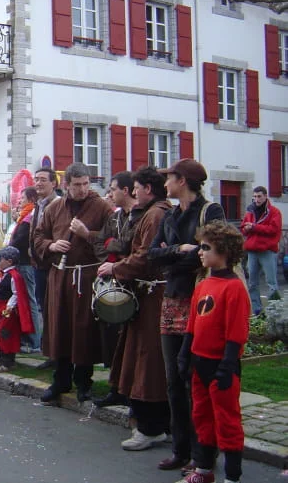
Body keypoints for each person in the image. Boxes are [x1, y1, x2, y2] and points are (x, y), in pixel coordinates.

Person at [148, 158, 225, 474]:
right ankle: (180, 449)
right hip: (172, 301)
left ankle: (203, 453)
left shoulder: (211, 212)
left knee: (197, 378)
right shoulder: (171, 214)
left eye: (169, 178)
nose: (165, 182)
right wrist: (179, 251)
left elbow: (209, 256)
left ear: (183, 181)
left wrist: (179, 254)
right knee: (174, 380)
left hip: (200, 300)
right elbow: (154, 256)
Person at [96, 167, 172, 450]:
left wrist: (115, 266)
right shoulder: (154, 212)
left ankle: (151, 427)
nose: (133, 192)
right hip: (147, 292)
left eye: (137, 187)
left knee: (147, 362)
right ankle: (156, 424)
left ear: (148, 189)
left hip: (153, 296)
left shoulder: (155, 214)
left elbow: (145, 258)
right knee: (143, 359)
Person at [177, 221, 250, 483]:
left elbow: (236, 332)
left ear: (224, 251)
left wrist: (228, 365)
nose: (200, 251)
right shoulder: (203, 285)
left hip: (222, 365)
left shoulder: (234, 288)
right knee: (202, 417)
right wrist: (185, 355)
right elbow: (193, 324)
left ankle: (232, 476)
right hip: (200, 363)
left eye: (206, 247)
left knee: (227, 421)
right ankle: (204, 471)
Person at [33, 162, 112, 403]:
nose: (82, 189)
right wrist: (51, 245)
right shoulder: (55, 208)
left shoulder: (102, 207)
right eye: (77, 185)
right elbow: (38, 236)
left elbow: (113, 239)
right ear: (66, 185)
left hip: (86, 277)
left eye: (86, 184)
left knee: (84, 330)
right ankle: (61, 380)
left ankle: (83, 383)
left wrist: (87, 233)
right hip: (60, 276)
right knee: (60, 329)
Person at [92, 171, 137, 407]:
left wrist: (117, 251)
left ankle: (132, 391)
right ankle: (115, 388)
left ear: (126, 191)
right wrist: (114, 251)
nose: (109, 193)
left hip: (135, 284)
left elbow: (132, 246)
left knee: (131, 342)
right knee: (112, 335)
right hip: (114, 283)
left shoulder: (139, 216)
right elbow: (100, 243)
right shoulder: (115, 218)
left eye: (113, 189)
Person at [30, 167, 60, 370]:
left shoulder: (57, 204)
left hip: (51, 263)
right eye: (36, 179)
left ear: (54, 183)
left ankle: (56, 353)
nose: (38, 183)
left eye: (43, 180)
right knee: (43, 306)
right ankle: (50, 351)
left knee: (53, 308)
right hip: (38, 263)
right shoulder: (38, 205)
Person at [8, 186, 42, 352]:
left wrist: (8, 250)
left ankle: (35, 341)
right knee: (23, 301)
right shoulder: (24, 217)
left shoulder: (30, 217)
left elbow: (21, 240)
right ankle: (26, 337)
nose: (19, 201)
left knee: (30, 300)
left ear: (31, 199)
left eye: (22, 198)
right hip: (20, 262)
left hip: (25, 263)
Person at [240, 185, 283, 314]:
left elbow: (274, 230)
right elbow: (243, 227)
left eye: (259, 196)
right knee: (252, 283)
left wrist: (254, 227)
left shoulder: (274, 212)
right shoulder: (250, 211)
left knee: (271, 283)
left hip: (267, 251)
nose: (256, 199)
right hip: (252, 251)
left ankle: (274, 312)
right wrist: (246, 228)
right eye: (254, 197)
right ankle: (257, 311)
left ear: (265, 197)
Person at [0, 246, 34, 371]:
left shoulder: (14, 276)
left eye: (1, 259)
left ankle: (8, 362)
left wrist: (9, 307)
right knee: (1, 334)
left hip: (8, 310)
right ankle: (2, 360)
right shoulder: (4, 275)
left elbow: (17, 293)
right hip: (0, 307)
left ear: (9, 261)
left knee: (7, 335)